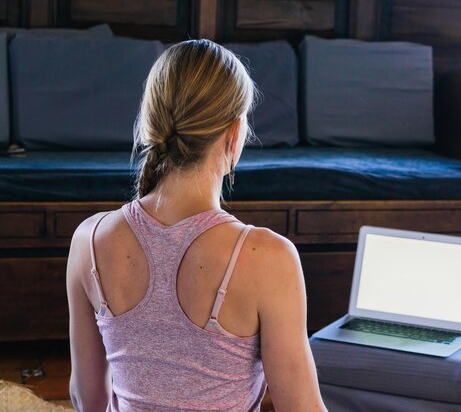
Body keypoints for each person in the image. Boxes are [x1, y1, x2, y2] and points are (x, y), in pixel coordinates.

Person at [66, 39, 328, 412]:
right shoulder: (270, 258)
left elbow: (86, 399)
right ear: (235, 134)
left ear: (150, 125)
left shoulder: (88, 240)